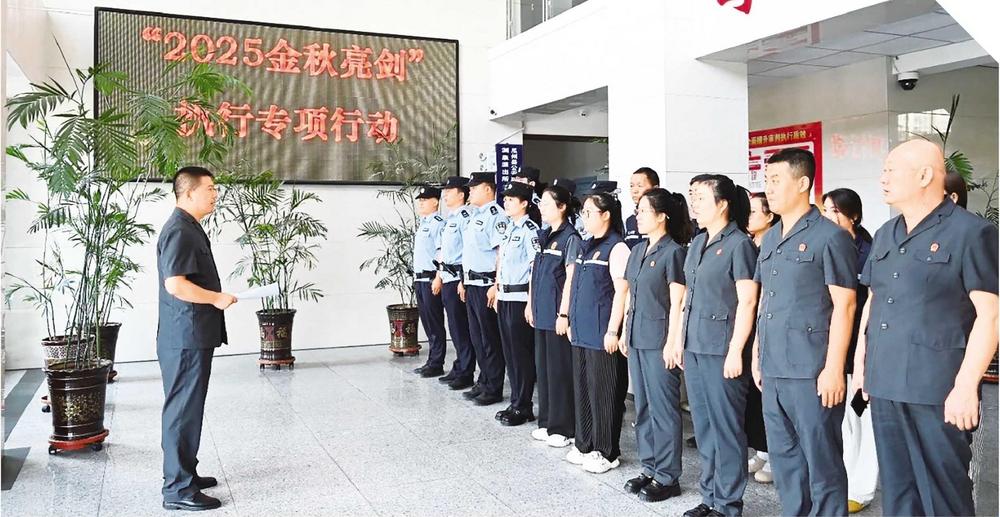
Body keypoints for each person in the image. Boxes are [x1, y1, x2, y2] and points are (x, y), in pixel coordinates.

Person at [853, 139, 998, 516]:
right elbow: (873, 300)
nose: (883, 178)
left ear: (924, 176)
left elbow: (990, 315)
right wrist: (861, 365)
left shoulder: (971, 232)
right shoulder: (885, 233)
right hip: (885, 383)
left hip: (937, 388)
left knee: (943, 495)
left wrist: (966, 386)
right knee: (899, 492)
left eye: (891, 171)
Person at [751, 148, 857, 517]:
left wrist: (834, 369)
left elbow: (845, 306)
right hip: (774, 366)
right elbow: (765, 300)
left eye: (775, 180)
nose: (768, 188)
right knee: (785, 460)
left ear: (802, 183)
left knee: (821, 461)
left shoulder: (831, 237)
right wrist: (757, 355)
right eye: (767, 180)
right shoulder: (769, 238)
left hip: (811, 370)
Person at [156, 166, 237, 511]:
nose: (215, 194)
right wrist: (215, 298)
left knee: (188, 409)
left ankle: (186, 473)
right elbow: (176, 284)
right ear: (188, 193)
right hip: (185, 337)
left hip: (190, 334)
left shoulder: (189, 226)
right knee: (182, 411)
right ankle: (178, 489)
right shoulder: (179, 230)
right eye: (210, 188)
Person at [678, 176, 758, 517]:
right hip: (695, 346)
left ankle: (727, 504)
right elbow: (688, 297)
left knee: (726, 429)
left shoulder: (739, 245)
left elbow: (748, 301)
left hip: (722, 349)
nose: (693, 203)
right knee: (705, 426)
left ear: (722, 203)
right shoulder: (698, 242)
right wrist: (680, 340)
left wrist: (736, 350)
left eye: (700, 197)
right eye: (692, 196)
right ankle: (709, 497)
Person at [619, 188, 692, 502]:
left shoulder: (673, 252)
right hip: (637, 338)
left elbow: (678, 302)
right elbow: (629, 295)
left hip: (660, 340)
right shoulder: (638, 250)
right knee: (644, 406)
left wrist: (673, 341)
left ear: (662, 216)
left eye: (644, 211)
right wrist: (624, 332)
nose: (638, 216)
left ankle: (667, 475)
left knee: (663, 408)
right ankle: (649, 467)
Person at [564, 183, 631, 474]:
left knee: (604, 392)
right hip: (581, 330)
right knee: (583, 390)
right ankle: (585, 444)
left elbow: (622, 292)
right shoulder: (585, 244)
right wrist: (569, 318)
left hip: (603, 332)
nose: (584, 217)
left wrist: (614, 330)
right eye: (583, 212)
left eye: (589, 212)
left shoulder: (617, 247)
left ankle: (606, 451)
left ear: (606, 215)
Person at [821, 188, 876, 514]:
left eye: (836, 211)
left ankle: (862, 488)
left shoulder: (867, 251)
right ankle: (842, 480)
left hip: (860, 346)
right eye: (825, 210)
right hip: (833, 347)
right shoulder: (827, 245)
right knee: (841, 421)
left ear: (853, 215)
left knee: (860, 418)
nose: (829, 216)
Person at [527, 179, 582, 447]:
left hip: (557, 315)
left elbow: (571, 279)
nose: (541, 208)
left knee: (560, 372)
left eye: (547, 204)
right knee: (545, 370)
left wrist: (564, 314)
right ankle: (547, 422)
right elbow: (535, 273)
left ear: (562, 207)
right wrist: (530, 304)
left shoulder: (570, 238)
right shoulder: (545, 235)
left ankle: (563, 427)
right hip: (541, 312)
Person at [459, 172, 510, 406]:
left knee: (490, 339)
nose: (470, 191)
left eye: (474, 188)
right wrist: (463, 280)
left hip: (486, 285)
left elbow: (501, 252)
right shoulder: (474, 215)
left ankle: (493, 387)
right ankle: (483, 380)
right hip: (472, 283)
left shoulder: (495, 215)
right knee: (477, 337)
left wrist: (495, 285)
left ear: (488, 189)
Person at [494, 181, 542, 426]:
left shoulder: (530, 230)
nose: (506, 202)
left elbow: (535, 267)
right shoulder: (508, 228)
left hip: (520, 298)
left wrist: (531, 302)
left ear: (524, 203)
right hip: (504, 297)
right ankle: (515, 402)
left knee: (521, 354)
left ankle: (524, 406)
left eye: (511, 199)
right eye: (505, 199)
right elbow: (501, 260)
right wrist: (496, 289)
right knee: (509, 353)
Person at [745, 192, 778, 483]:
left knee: (766, 393)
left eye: (754, 211)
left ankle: (775, 454)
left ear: (769, 216)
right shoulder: (748, 244)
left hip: (765, 326)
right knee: (752, 396)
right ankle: (761, 449)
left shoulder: (773, 244)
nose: (749, 216)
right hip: (747, 328)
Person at [435, 177, 477, 390]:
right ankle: (460, 366)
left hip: (458, 278)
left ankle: (466, 371)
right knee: (454, 326)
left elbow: (467, 250)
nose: (445, 194)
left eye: (449, 191)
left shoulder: (465, 217)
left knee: (461, 327)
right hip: (447, 277)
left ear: (462, 194)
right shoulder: (450, 218)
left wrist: (462, 279)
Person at [411, 186, 448, 377]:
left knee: (435, 322)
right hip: (420, 279)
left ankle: (436, 363)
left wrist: (438, 277)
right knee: (427, 322)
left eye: (424, 200)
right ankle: (432, 360)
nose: (421, 203)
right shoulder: (424, 223)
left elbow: (441, 252)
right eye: (420, 200)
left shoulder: (438, 223)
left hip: (431, 278)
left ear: (435, 202)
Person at [625, 167, 660, 248]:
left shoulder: (661, 218)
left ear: (655, 188)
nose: (634, 191)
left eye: (640, 186)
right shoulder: (630, 221)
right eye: (631, 186)